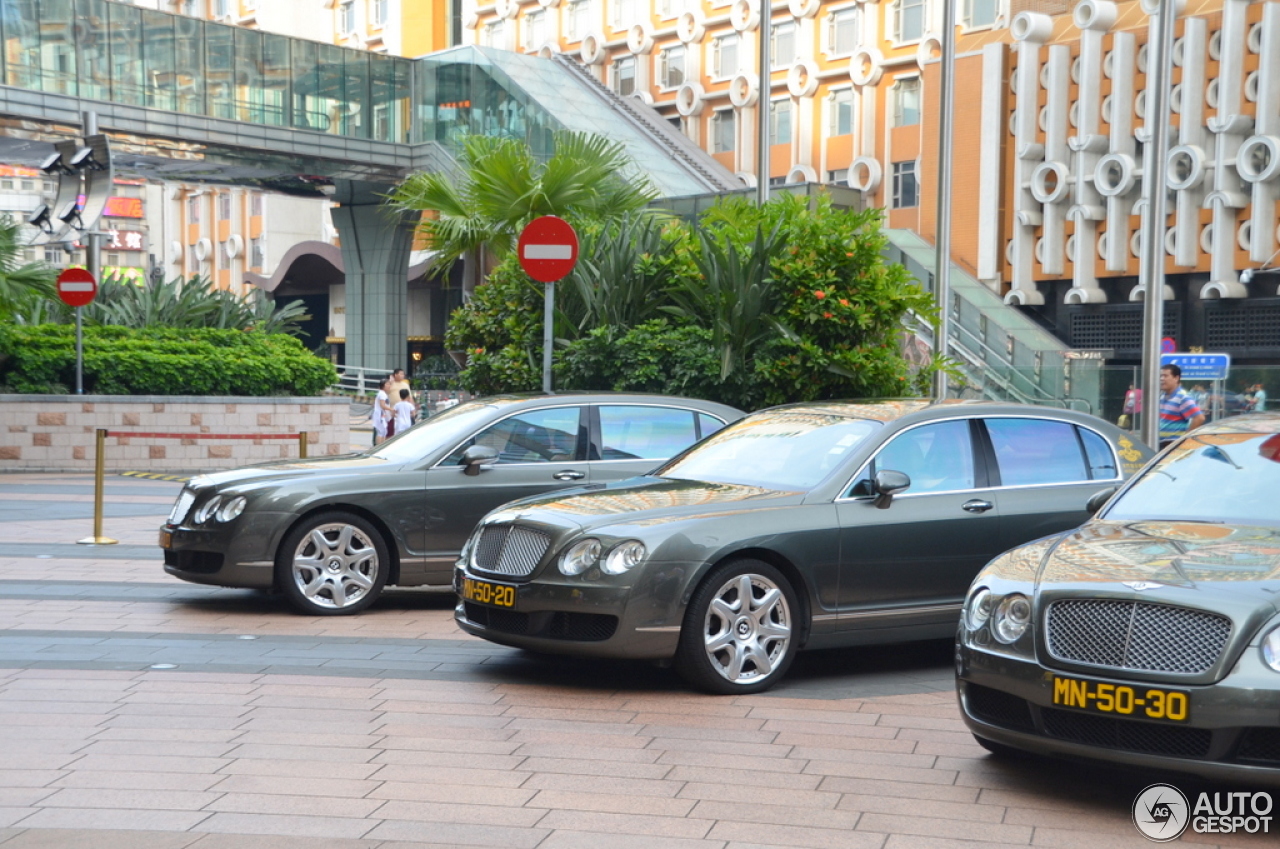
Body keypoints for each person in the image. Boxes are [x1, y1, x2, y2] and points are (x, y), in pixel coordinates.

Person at [1158, 364, 1206, 449]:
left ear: (1176, 378)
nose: (1162, 379)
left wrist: (1185, 439)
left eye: (1165, 376)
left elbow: (1199, 418)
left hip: (1172, 445)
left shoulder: (1182, 397)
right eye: (1161, 376)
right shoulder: (1162, 396)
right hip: (1160, 444)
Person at [372, 377, 393, 445]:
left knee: (383, 432)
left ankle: (381, 446)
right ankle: (379, 447)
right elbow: (382, 405)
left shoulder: (383, 394)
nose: (389, 386)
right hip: (380, 416)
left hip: (382, 415)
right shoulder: (382, 394)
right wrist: (391, 409)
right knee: (381, 432)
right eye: (388, 384)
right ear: (383, 385)